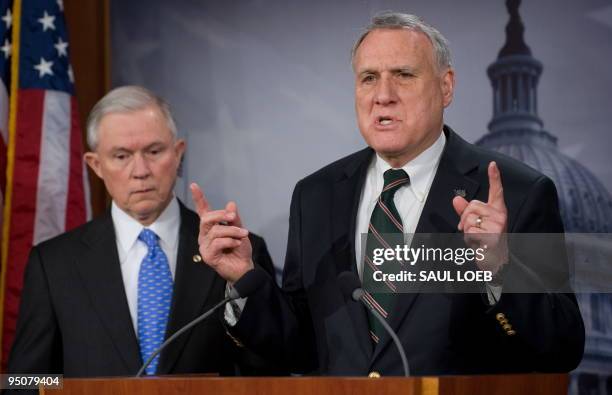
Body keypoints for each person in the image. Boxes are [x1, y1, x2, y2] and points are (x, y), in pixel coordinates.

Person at [191, 12, 585, 376]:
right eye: (368, 78)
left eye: (404, 75)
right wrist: (244, 279)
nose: (383, 95)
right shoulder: (316, 196)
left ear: (446, 87)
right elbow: (302, 346)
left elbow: (561, 348)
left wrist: (500, 269)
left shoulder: (518, 192)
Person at [7, 86, 274, 377]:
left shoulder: (236, 249)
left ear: (178, 153)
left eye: (154, 151)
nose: (141, 170)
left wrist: (242, 279)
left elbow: (274, 368)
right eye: (121, 156)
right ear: (96, 165)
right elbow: (25, 380)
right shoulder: (54, 263)